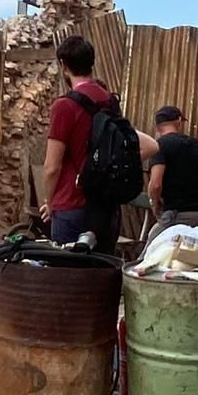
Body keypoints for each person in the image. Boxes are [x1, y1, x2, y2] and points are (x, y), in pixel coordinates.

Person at [40, 36, 158, 253]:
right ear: (92, 63)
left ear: (63, 65)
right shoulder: (109, 100)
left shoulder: (64, 106)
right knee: (101, 279)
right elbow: (144, 145)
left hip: (71, 205)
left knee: (67, 280)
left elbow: (51, 167)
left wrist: (50, 201)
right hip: (106, 208)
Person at [142, 106, 198, 252]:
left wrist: (155, 205)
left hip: (175, 217)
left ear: (157, 126)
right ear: (179, 121)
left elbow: (155, 185)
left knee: (147, 259)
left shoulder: (158, 146)